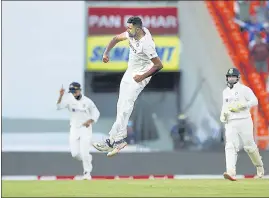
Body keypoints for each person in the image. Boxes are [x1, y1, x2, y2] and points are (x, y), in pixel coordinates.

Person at [92, 16, 163, 157]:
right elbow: (115, 39)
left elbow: (158, 65)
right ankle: (119, 140)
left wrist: (142, 77)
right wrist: (106, 53)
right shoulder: (132, 33)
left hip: (141, 75)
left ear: (138, 29)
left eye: (130, 28)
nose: (127, 30)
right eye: (127, 27)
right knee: (121, 105)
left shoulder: (146, 44)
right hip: (130, 72)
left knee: (126, 106)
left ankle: (111, 140)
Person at [220, 68, 264, 181]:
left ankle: (259, 167)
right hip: (231, 122)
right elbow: (224, 107)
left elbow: (255, 101)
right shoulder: (225, 92)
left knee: (249, 146)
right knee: (230, 145)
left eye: (233, 77)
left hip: (244, 120)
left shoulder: (244, 89)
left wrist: (243, 105)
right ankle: (231, 172)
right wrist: (223, 116)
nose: (231, 79)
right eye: (229, 77)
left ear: (238, 78)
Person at [57, 82, 100, 180]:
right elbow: (58, 107)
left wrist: (90, 121)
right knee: (75, 154)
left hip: (85, 128)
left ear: (79, 90)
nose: (73, 93)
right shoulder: (69, 100)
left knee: (85, 151)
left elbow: (96, 113)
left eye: (75, 91)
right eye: (71, 92)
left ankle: (87, 173)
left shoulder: (88, 101)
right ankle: (87, 159)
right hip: (74, 128)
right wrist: (61, 95)